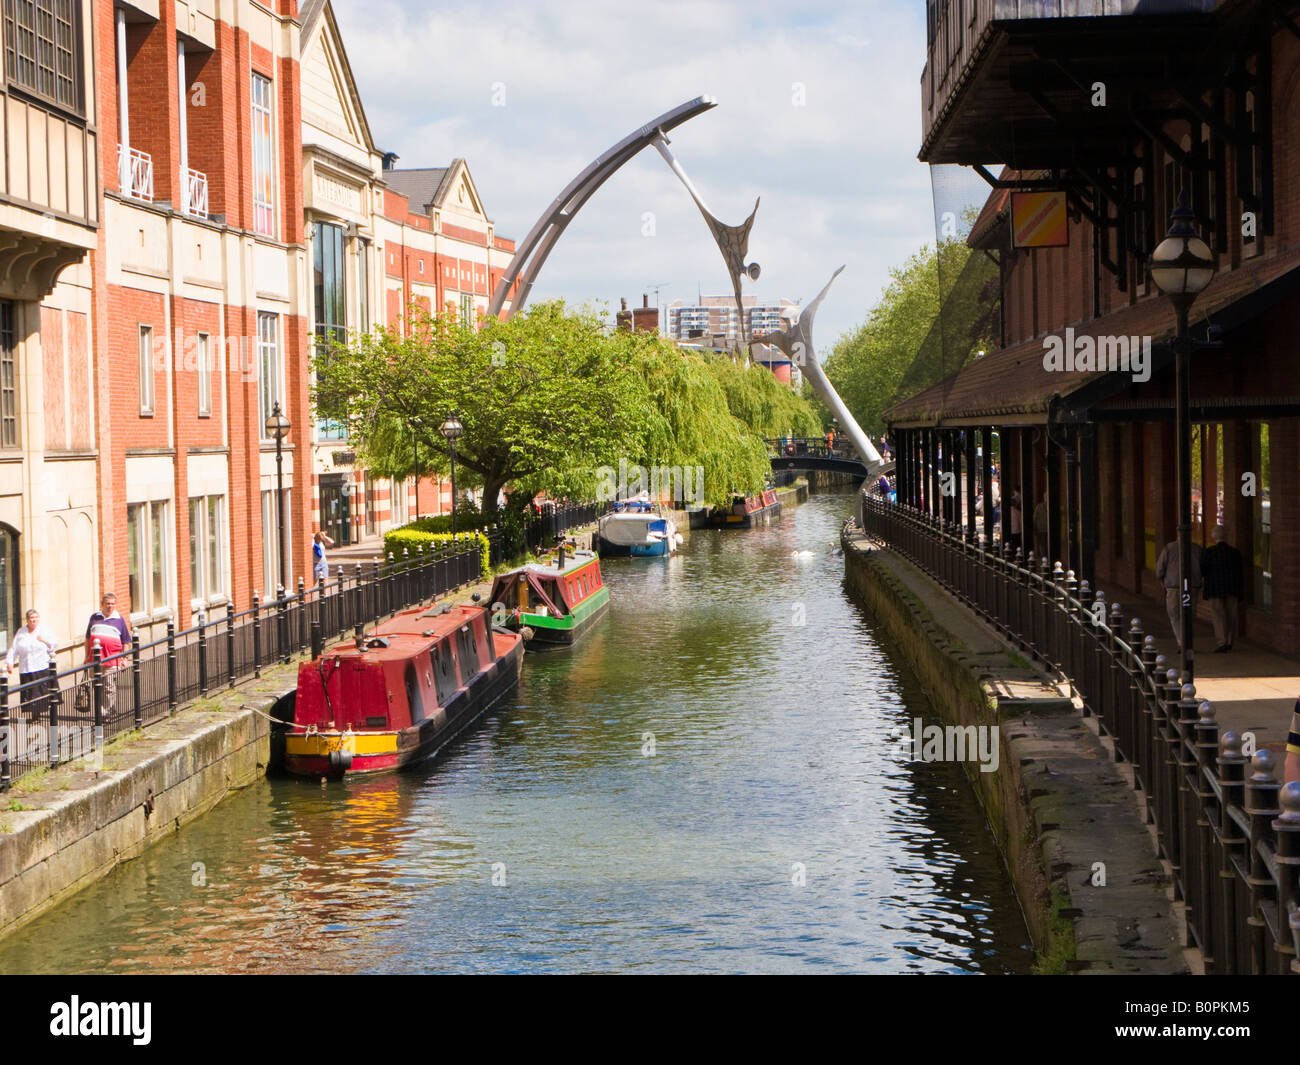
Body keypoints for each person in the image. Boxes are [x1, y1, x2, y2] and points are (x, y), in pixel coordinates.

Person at [85, 593, 131, 715]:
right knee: (98, 686)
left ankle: (104, 712)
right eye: (107, 604)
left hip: (112, 659)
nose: (110, 606)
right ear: (102, 604)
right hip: (96, 660)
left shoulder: (119, 620)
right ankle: (106, 707)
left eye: (112, 604)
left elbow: (126, 641)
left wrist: (124, 658)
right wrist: (86, 656)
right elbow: (87, 638)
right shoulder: (94, 618)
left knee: (109, 687)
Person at [6, 609, 56, 719]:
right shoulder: (21, 632)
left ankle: (44, 714)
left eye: (35, 617)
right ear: (27, 620)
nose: (33, 620)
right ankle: (35, 715)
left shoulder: (44, 629)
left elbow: (54, 644)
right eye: (31, 618)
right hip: (26, 667)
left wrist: (44, 641)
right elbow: (14, 649)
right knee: (30, 693)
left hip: (41, 666)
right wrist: (10, 662)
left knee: (42, 692)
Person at [1201, 524, 1244, 652]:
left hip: (1215, 589)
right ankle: (1230, 641)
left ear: (1214, 537)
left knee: (1218, 615)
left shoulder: (1209, 552)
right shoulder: (1235, 552)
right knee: (1231, 615)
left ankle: (1222, 641)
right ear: (1226, 536)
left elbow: (1203, 570)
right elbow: (1240, 572)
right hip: (1232, 588)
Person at [1155, 538, 1202, 652]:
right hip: (1192, 586)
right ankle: (1187, 643)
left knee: (1175, 616)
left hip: (1173, 586)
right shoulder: (1197, 549)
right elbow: (1203, 567)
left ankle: (1181, 643)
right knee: (1189, 616)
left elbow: (1160, 569)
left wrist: (1163, 582)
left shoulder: (1169, 548)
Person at [1032, 489, 1049, 561]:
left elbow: (1034, 518)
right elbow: (1035, 518)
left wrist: (1035, 528)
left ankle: (1044, 558)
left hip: (1042, 529)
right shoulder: (1039, 507)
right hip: (1042, 529)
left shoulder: (1039, 506)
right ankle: (1045, 558)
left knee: (1043, 545)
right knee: (1043, 544)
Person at [1007, 486, 1023, 554]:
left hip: (1010, 531)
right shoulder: (1018, 512)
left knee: (1009, 545)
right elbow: (1020, 521)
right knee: (1017, 545)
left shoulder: (1006, 512)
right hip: (1017, 531)